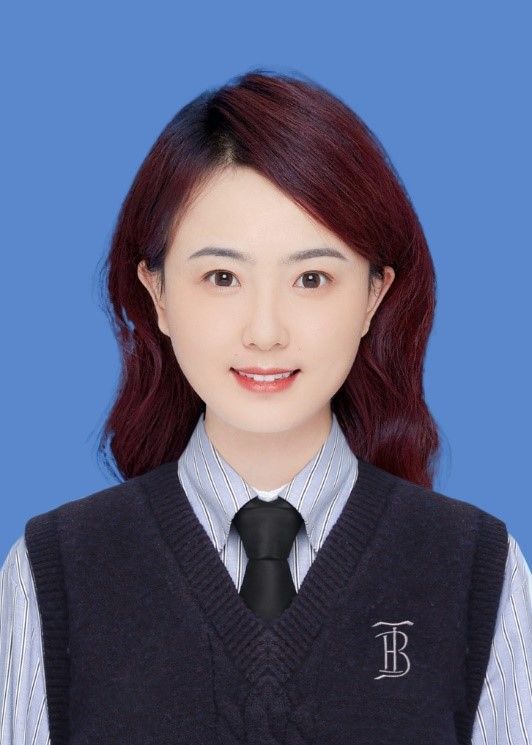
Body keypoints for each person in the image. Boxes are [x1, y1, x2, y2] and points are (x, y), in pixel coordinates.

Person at [1, 69, 530, 744]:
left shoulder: (476, 570)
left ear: (373, 295)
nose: (266, 331)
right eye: (222, 276)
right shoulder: (54, 574)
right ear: (157, 293)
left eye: (312, 277)